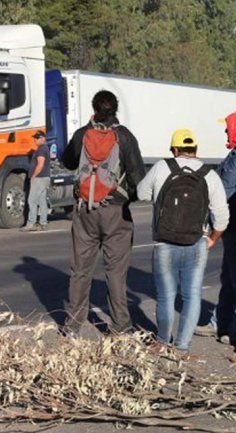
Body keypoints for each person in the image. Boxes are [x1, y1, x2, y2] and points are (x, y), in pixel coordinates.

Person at [61, 90, 146, 334]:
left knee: (80, 270)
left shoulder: (82, 134)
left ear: (94, 108)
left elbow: (68, 161)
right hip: (115, 211)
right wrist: (126, 198)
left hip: (85, 211)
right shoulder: (125, 136)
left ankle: (72, 325)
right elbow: (138, 177)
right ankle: (120, 326)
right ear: (116, 109)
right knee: (116, 271)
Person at [137, 129, 229, 353]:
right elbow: (222, 216)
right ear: (195, 149)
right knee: (192, 295)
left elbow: (141, 193)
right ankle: (183, 346)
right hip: (196, 243)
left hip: (165, 243)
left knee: (166, 296)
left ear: (175, 149)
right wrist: (212, 239)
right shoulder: (209, 174)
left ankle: (162, 341)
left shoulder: (161, 167)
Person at [196, 111, 236, 346]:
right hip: (230, 225)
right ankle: (220, 322)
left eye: (229, 127)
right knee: (230, 276)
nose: (226, 131)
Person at [21, 130, 51, 232]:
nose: (35, 140)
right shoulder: (44, 148)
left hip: (39, 178)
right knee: (42, 201)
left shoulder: (41, 150)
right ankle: (43, 223)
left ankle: (31, 223)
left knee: (32, 200)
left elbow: (40, 164)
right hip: (44, 177)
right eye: (34, 138)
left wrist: (33, 176)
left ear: (43, 138)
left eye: (37, 138)